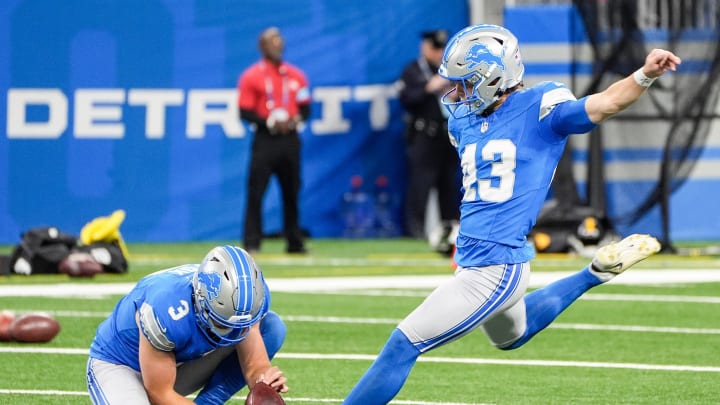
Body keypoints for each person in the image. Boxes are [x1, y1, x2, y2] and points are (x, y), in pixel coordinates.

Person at [342, 24, 678, 404]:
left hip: (494, 267)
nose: (457, 93)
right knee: (512, 336)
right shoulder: (463, 121)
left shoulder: (543, 107)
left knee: (402, 345)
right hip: (479, 258)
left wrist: (644, 74)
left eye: (466, 83)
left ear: (493, 78)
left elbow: (605, 103)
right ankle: (594, 273)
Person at [86, 245, 288, 404]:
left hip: (177, 362)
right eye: (221, 322)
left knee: (272, 327)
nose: (233, 333)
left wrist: (263, 382)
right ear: (201, 301)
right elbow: (159, 392)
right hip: (122, 364)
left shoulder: (247, 299)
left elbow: (254, 363)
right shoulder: (165, 309)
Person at [238, 26, 311, 254]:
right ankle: (252, 242)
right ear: (262, 47)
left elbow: (306, 107)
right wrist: (269, 122)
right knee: (256, 191)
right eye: (271, 41)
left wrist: (294, 120)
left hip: (290, 139)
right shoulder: (252, 75)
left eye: (279, 40)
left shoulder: (296, 75)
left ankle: (294, 241)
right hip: (266, 139)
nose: (277, 45)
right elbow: (245, 111)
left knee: (292, 191)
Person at [397, 29, 461, 251]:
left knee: (449, 186)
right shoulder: (414, 70)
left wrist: (456, 94)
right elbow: (406, 100)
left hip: (448, 134)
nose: (439, 53)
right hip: (425, 134)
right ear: (424, 48)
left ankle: (450, 231)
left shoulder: (453, 70)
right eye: (435, 48)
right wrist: (428, 87)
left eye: (442, 49)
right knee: (420, 185)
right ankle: (415, 231)